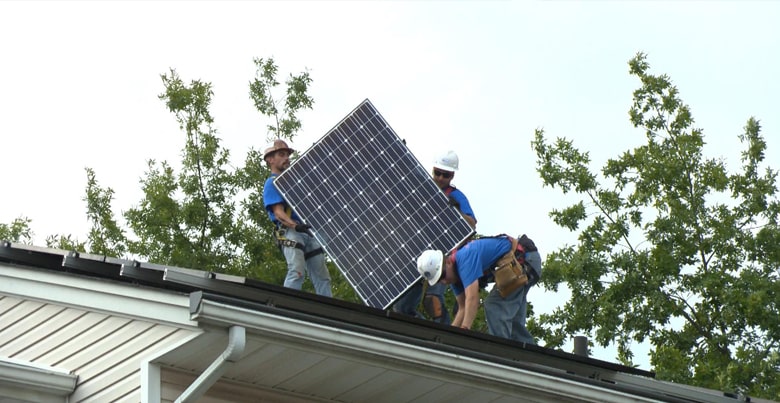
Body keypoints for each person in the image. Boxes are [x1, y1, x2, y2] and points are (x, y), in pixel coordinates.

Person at [393, 150, 477, 323]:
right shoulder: (421, 188)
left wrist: (456, 211)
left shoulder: (455, 196)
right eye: (437, 173)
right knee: (401, 307)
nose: (440, 178)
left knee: (433, 299)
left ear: (452, 175)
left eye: (445, 175)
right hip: (415, 253)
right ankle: (420, 333)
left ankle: (444, 333)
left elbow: (471, 223)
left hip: (441, 258)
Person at [416, 234, 542, 343]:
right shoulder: (454, 277)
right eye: (439, 281)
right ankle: (532, 359)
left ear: (448, 262)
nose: (444, 281)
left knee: (494, 306)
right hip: (520, 265)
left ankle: (503, 353)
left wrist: (465, 329)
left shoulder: (465, 258)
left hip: (524, 261)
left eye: (442, 275)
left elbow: (472, 299)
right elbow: (463, 308)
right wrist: (449, 336)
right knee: (514, 324)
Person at [262, 139, 333, 297]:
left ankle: (329, 310)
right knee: (297, 271)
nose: (286, 158)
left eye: (287, 155)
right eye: (281, 154)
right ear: (270, 159)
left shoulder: (294, 183)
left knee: (323, 277)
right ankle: (286, 306)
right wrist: (295, 226)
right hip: (291, 231)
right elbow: (279, 213)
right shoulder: (272, 183)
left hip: (308, 232)